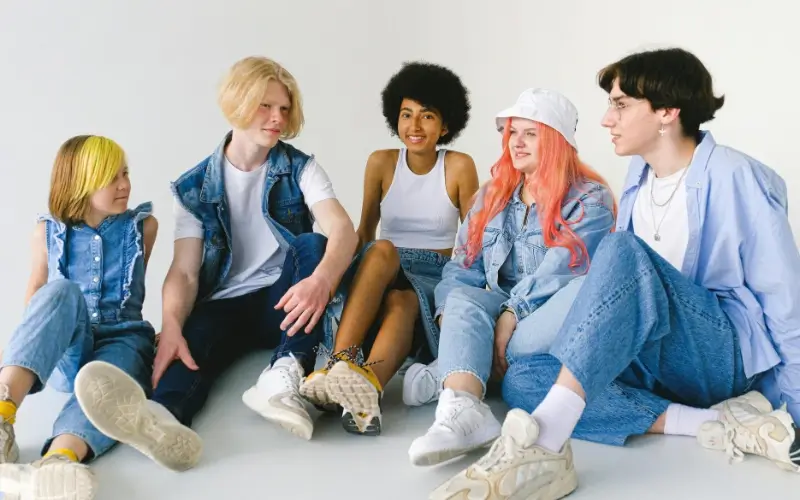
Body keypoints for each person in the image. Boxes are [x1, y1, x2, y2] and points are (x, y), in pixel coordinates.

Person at [431, 47, 800, 500]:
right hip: (655, 356)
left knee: (620, 248)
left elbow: (786, 300)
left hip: (715, 353)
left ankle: (544, 444)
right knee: (523, 378)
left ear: (667, 110)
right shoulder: (638, 176)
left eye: (621, 105)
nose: (607, 119)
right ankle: (717, 423)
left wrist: (795, 407)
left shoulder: (735, 175)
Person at [73, 56, 359, 471]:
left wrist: (323, 280)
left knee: (313, 244)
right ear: (239, 104)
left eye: (283, 108)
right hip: (224, 302)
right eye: (266, 106)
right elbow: (185, 272)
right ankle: (163, 423)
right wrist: (171, 325)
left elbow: (343, 229)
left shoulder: (300, 167)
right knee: (190, 348)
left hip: (285, 299)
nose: (277, 118)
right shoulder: (193, 187)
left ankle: (284, 373)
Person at [408, 88, 617, 467]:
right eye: (512, 133)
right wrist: (449, 315)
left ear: (555, 141)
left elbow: (561, 273)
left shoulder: (590, 199)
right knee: (463, 299)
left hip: (553, 313)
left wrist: (511, 314)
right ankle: (463, 410)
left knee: (521, 344)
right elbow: (462, 266)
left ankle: (459, 365)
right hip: (503, 306)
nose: (516, 143)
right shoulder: (493, 195)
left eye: (530, 134)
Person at [298, 61, 479, 436]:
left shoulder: (459, 166)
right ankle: (341, 361)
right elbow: (363, 229)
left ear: (445, 126)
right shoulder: (381, 163)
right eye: (406, 115)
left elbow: (475, 240)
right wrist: (340, 280)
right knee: (381, 249)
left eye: (427, 117)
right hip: (383, 264)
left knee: (404, 303)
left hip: (432, 274)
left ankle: (366, 389)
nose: (414, 126)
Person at [0, 135, 158, 500]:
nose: (125, 185)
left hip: (123, 340)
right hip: (67, 349)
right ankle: (4, 411)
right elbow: (36, 295)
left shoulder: (143, 227)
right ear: (80, 182)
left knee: (109, 385)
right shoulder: (47, 231)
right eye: (112, 177)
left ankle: (59, 460)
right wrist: (26, 349)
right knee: (60, 290)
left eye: (126, 173)